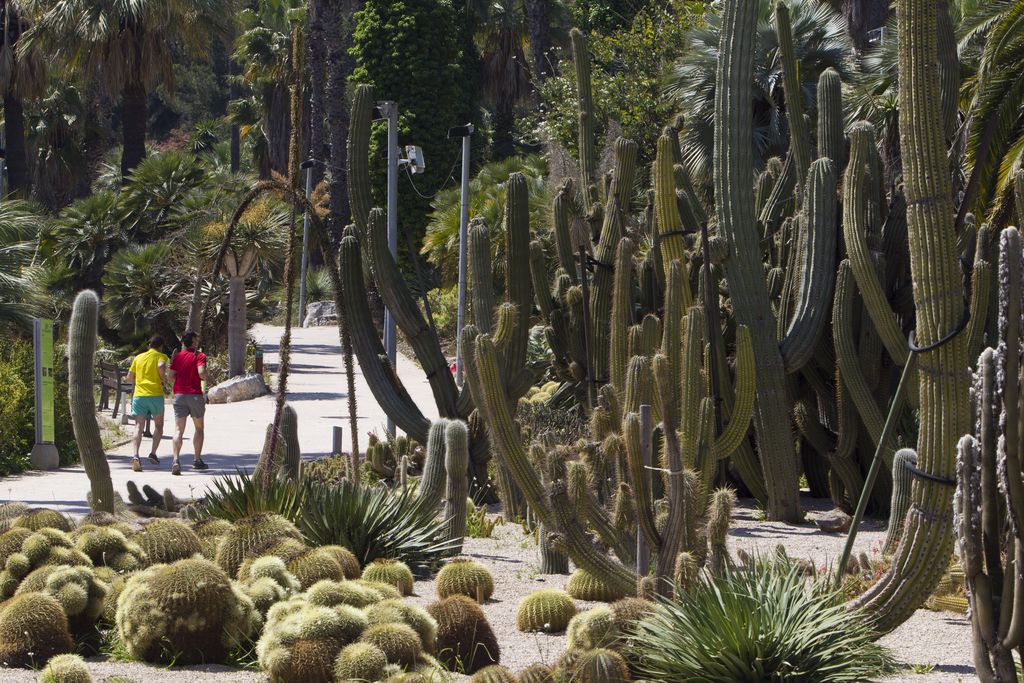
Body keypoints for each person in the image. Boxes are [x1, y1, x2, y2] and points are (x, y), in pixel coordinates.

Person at [167, 331, 209, 475]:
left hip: (179, 395)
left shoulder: (178, 356)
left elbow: (170, 375)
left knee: (178, 429)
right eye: (196, 339)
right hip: (195, 395)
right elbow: (201, 372)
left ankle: (175, 460)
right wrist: (205, 377)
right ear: (193, 341)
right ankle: (197, 460)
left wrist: (180, 381)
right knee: (199, 428)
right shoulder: (200, 356)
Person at [126, 335, 168, 472]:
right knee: (159, 425)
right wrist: (164, 380)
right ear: (160, 346)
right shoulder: (161, 356)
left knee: (138, 426)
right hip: (155, 394)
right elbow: (161, 366)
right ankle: (153, 454)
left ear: (149, 345)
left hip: (139, 395)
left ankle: (135, 455)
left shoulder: (138, 358)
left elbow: (129, 378)